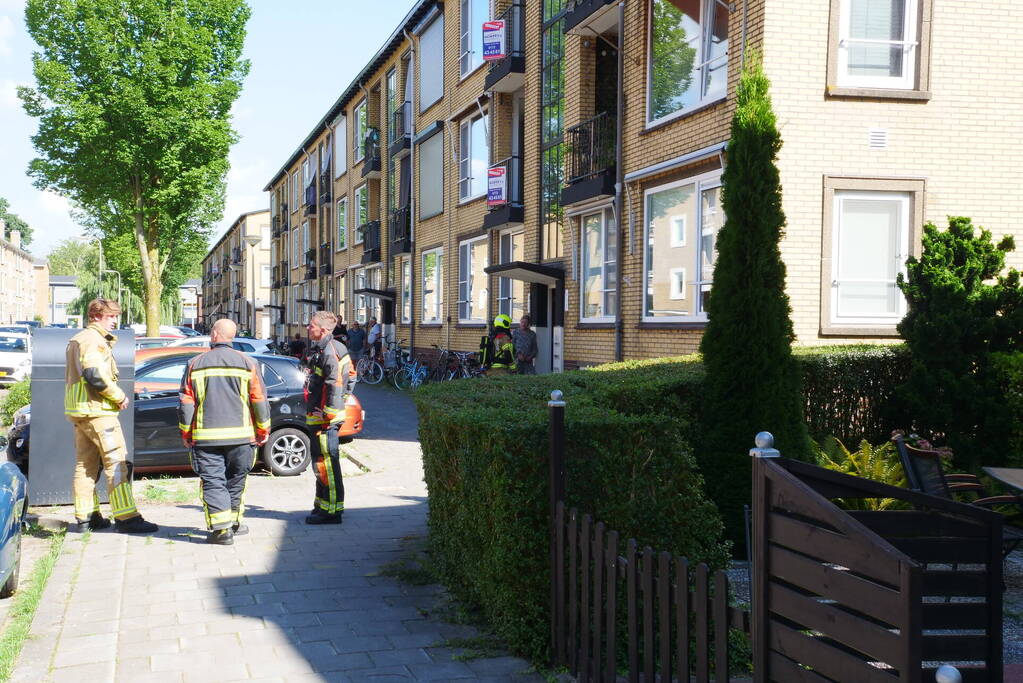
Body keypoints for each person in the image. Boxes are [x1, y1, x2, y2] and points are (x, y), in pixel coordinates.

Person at [64, 298, 158, 534]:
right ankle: (127, 517)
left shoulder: (77, 339)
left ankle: (86, 517)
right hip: (99, 413)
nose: (115, 321)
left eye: (116, 316)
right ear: (96, 316)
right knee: (117, 465)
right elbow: (95, 375)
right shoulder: (94, 340)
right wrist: (119, 396)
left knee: (85, 466)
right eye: (111, 316)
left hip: (81, 413)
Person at [178, 319, 270, 545]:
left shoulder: (194, 363)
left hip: (206, 437)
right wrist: (263, 429)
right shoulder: (248, 363)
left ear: (214, 334)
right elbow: (259, 399)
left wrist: (186, 433)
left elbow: (186, 403)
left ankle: (221, 530)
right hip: (241, 437)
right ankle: (235, 523)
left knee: (213, 482)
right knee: (236, 480)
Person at [303, 310, 353, 525]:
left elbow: (335, 382)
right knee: (321, 464)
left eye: (311, 324)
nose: (307, 327)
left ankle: (331, 512)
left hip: (325, 420)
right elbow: (352, 376)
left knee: (326, 464)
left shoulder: (329, 352)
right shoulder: (328, 348)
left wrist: (328, 412)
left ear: (322, 330)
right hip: (322, 416)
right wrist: (343, 400)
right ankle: (322, 505)